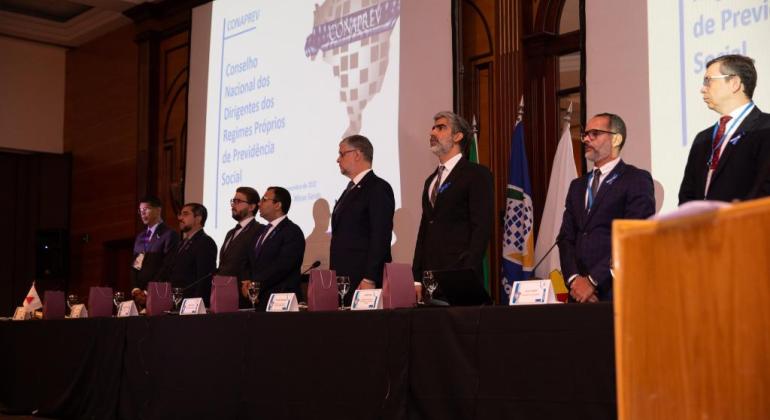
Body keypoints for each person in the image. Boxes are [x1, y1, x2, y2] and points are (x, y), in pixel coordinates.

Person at [558, 113, 655, 302]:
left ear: (616, 139)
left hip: (616, 294)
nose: (585, 139)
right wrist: (574, 280)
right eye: (585, 134)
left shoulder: (635, 179)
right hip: (577, 296)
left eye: (594, 134)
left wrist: (593, 282)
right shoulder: (577, 186)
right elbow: (565, 238)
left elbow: (633, 238)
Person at [412, 111, 493, 288]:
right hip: (430, 279)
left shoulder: (476, 174)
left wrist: (466, 272)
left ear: (458, 136)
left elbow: (481, 228)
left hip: (460, 276)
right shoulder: (431, 181)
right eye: (433, 128)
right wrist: (416, 277)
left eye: (441, 128)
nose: (432, 133)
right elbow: (424, 230)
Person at [679, 54, 770, 204]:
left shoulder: (765, 128)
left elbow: (765, 188)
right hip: (703, 226)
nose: (703, 89)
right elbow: (687, 196)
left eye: (708, 81)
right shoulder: (703, 138)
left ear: (734, 83)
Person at [329, 134, 395, 304]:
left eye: (342, 154)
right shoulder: (350, 189)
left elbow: (380, 236)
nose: (338, 159)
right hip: (344, 280)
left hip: (363, 280)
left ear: (357, 154)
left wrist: (370, 278)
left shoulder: (377, 188)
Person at [242, 187, 306, 310]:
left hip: (280, 302)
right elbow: (248, 260)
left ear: (278, 205)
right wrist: (246, 281)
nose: (259, 203)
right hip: (258, 300)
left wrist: (255, 284)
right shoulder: (260, 231)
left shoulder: (292, 231)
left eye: (264, 199)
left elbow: (283, 266)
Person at [155, 203, 217, 306]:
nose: (180, 218)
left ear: (198, 219)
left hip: (191, 306)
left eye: (185, 214)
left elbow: (204, 279)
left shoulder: (205, 242)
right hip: (174, 304)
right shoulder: (181, 244)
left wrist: (196, 306)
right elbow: (168, 270)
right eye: (180, 214)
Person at [217, 186, 263, 308]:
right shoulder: (230, 233)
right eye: (233, 201)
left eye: (238, 201)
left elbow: (256, 264)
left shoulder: (259, 230)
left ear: (252, 207)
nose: (233, 205)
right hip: (223, 295)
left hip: (243, 298)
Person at [131, 196, 179, 307]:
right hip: (139, 297)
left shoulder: (169, 234)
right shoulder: (140, 237)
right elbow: (136, 264)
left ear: (158, 210)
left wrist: (148, 291)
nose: (142, 213)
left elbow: (167, 265)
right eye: (140, 211)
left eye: (146, 209)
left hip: (158, 293)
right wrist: (136, 289)